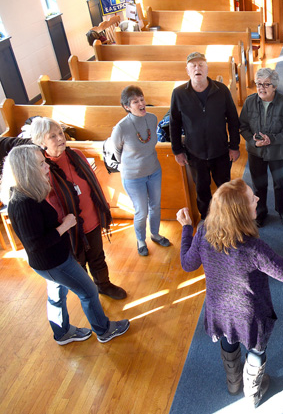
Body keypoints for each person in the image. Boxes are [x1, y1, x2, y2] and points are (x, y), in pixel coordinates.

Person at [176, 179, 283, 407]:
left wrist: (187, 228)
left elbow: (187, 264)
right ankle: (252, 393)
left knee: (229, 339)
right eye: (252, 199)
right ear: (240, 213)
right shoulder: (254, 249)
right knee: (256, 350)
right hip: (250, 316)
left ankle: (233, 383)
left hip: (219, 310)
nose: (258, 199)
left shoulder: (204, 233)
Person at [1, 145, 130, 345]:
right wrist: (64, 226)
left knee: (57, 296)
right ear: (27, 169)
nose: (47, 167)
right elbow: (35, 244)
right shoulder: (24, 203)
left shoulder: (28, 193)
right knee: (88, 291)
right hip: (53, 262)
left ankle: (62, 333)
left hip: (52, 261)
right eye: (41, 164)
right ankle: (104, 331)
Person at [30, 117, 126, 300]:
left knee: (98, 256)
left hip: (92, 218)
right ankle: (88, 292)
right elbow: (45, 201)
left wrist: (102, 204)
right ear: (41, 142)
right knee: (79, 263)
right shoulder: (42, 168)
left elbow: (93, 181)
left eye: (60, 133)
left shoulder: (76, 154)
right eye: (53, 136)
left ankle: (104, 285)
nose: (60, 138)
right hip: (69, 227)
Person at [170, 51, 240, 222]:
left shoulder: (221, 90)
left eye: (201, 65)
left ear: (207, 68)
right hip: (195, 153)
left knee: (225, 189)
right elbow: (174, 123)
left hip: (221, 151)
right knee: (202, 190)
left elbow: (232, 119)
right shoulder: (179, 93)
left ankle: (227, 220)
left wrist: (234, 146)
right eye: (193, 66)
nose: (197, 69)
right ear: (187, 71)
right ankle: (207, 223)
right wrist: (177, 150)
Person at [111, 85, 171, 256]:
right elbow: (117, 152)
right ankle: (140, 240)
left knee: (155, 206)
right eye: (135, 102)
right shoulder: (121, 128)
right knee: (141, 210)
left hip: (153, 170)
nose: (141, 103)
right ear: (127, 107)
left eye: (142, 99)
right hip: (133, 176)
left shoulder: (152, 118)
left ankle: (155, 234)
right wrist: (132, 164)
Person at [239, 68, 283, 228]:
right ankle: (261, 212)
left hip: (279, 152)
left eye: (266, 84)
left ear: (274, 86)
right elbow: (243, 126)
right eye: (258, 84)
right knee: (259, 184)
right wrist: (252, 141)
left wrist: (271, 139)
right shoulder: (250, 102)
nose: (261, 88)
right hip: (256, 152)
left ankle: (282, 212)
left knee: (279, 184)